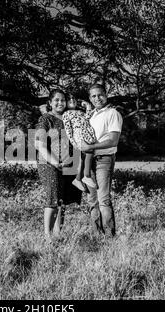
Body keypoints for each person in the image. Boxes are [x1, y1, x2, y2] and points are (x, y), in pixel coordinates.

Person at [35, 89, 82, 238]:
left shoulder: (70, 118)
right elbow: (39, 144)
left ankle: (58, 234)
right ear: (50, 102)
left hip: (67, 162)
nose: (60, 103)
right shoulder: (45, 119)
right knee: (53, 198)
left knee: (62, 200)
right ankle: (47, 236)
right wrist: (55, 162)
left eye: (63, 100)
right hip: (49, 163)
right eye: (57, 100)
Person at [79, 84, 123, 237]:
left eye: (100, 95)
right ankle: (97, 235)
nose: (97, 98)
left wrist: (91, 146)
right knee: (92, 200)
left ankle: (110, 237)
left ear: (106, 95)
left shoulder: (112, 113)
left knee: (103, 199)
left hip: (104, 160)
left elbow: (113, 140)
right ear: (90, 99)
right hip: (88, 160)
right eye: (93, 96)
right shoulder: (91, 115)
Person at [62, 94, 97, 192]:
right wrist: (73, 142)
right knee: (89, 151)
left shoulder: (81, 112)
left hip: (87, 135)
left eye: (74, 98)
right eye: (69, 99)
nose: (72, 100)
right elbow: (68, 130)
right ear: (66, 102)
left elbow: (88, 116)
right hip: (78, 136)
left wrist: (88, 106)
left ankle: (78, 179)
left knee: (84, 157)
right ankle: (86, 175)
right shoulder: (67, 114)